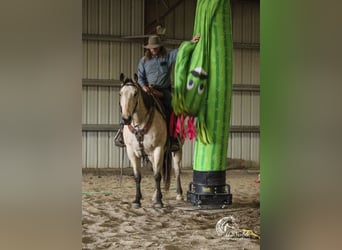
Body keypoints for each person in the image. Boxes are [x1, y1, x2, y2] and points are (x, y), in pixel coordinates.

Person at [115, 34, 200, 151]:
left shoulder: (168, 56)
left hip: (163, 91)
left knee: (172, 107)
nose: (153, 49)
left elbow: (180, 51)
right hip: (147, 90)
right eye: (151, 47)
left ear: (160, 47)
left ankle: (172, 138)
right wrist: (144, 87)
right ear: (148, 48)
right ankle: (121, 132)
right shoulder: (143, 61)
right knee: (129, 104)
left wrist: (190, 42)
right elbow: (140, 77)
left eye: (155, 47)